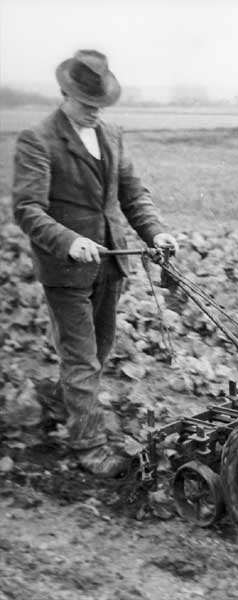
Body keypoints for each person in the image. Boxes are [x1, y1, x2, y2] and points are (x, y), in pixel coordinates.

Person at [12, 49, 178, 477]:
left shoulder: (111, 135)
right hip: (66, 269)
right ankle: (89, 446)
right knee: (82, 358)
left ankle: (59, 401)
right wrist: (68, 241)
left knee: (98, 351)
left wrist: (155, 233)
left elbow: (133, 194)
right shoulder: (38, 139)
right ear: (65, 94)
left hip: (110, 263)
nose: (94, 111)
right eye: (87, 104)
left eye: (100, 104)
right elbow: (28, 209)